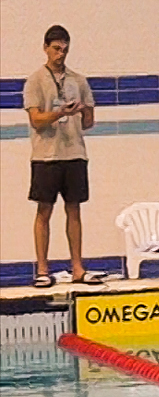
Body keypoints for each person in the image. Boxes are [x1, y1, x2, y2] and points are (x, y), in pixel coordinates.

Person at [23, 25, 100, 288]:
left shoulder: (78, 80)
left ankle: (77, 267)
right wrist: (60, 113)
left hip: (74, 153)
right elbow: (36, 120)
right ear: (45, 48)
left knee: (74, 210)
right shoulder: (35, 80)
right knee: (44, 211)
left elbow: (89, 122)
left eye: (65, 50)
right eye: (56, 49)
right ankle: (43, 269)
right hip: (46, 155)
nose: (60, 54)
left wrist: (82, 110)